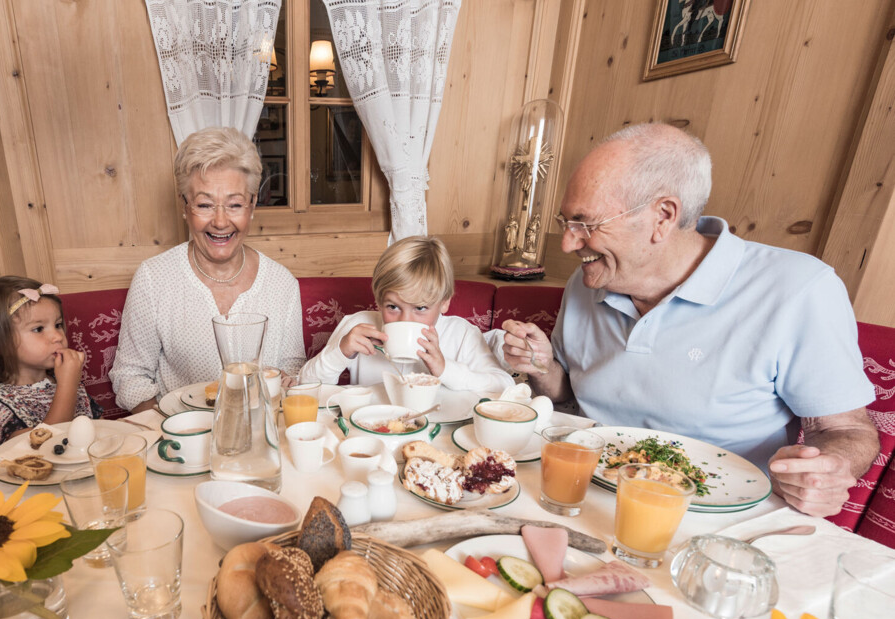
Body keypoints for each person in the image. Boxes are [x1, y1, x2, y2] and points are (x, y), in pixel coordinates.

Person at [493, 123, 878, 517]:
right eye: (566, 223)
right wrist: (542, 369)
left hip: (717, 519)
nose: (568, 243)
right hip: (577, 494)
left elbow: (844, 431)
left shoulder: (798, 288)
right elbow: (568, 394)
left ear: (663, 216)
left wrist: (827, 471)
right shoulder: (588, 280)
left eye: (585, 224)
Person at [109, 127, 305, 413]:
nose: (221, 221)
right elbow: (130, 377)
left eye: (235, 204)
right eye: (205, 204)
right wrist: (173, 433)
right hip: (180, 442)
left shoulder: (282, 283)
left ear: (252, 207)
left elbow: (291, 369)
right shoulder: (154, 278)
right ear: (185, 207)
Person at [300, 236, 512, 393]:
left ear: (444, 302)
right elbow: (304, 386)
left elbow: (504, 386)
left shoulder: (462, 334)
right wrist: (340, 353)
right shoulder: (358, 326)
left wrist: (445, 368)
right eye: (393, 307)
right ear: (378, 300)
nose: (405, 320)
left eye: (420, 308)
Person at [0, 276, 101, 459]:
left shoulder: (63, 379)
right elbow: (41, 450)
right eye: (38, 329)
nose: (57, 336)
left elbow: (99, 429)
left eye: (58, 325)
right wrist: (68, 385)